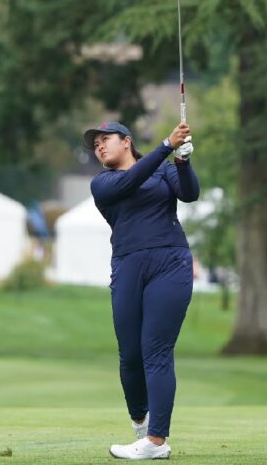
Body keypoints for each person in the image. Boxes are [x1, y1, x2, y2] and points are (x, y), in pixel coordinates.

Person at [82, 121, 199, 460]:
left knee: (156, 351)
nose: (99, 147)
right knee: (130, 356)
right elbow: (130, 182)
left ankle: (156, 441)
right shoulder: (102, 183)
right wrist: (166, 145)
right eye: (95, 145)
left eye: (106, 140)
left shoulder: (162, 170)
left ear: (127, 142)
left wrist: (183, 161)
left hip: (170, 263)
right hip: (129, 265)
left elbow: (189, 194)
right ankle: (141, 425)